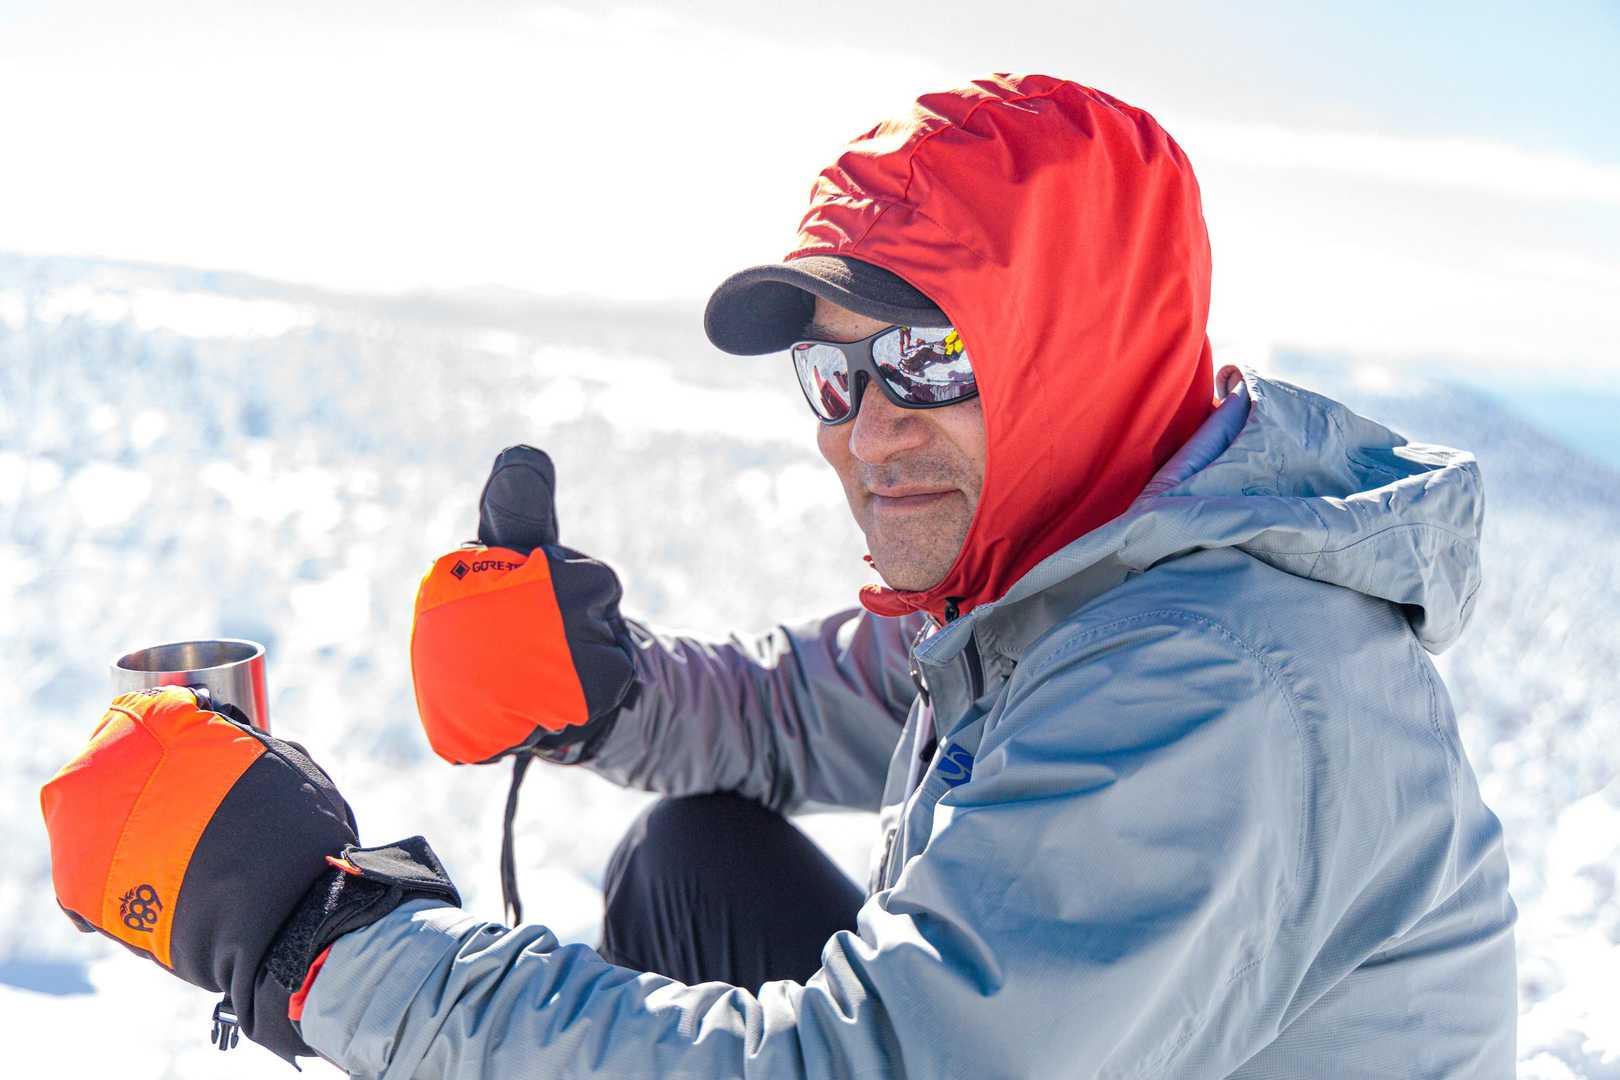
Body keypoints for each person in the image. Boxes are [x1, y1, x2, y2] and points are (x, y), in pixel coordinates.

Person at [41, 73, 1518, 1077]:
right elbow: (804, 709)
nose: (867, 429)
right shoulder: (1073, 574)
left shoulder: (1214, 680)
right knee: (693, 862)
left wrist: (323, 947)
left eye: (927, 357)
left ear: (1076, 351)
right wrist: (608, 694)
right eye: (833, 374)